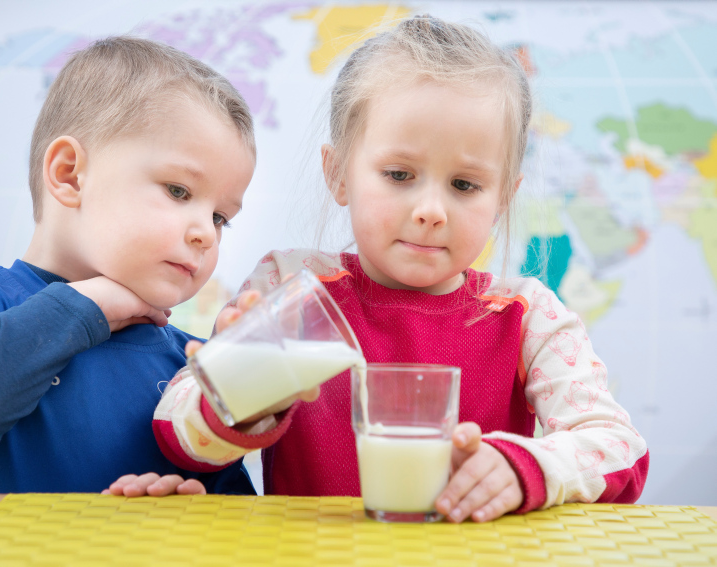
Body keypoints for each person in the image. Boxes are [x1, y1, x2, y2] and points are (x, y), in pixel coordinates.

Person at [108, 16, 649, 522]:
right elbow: (176, 431)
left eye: (464, 185)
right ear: (339, 173)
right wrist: (236, 398)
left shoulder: (528, 317)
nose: (431, 211)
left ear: (503, 198)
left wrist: (524, 467)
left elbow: (620, 448)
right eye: (398, 174)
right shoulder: (292, 288)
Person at [0, 37, 257, 495]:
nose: (205, 231)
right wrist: (89, 305)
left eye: (221, 217)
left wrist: (202, 512)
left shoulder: (191, 365)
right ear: (69, 175)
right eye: (179, 191)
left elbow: (236, 513)